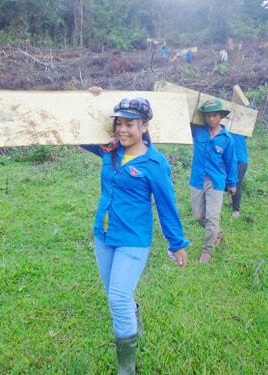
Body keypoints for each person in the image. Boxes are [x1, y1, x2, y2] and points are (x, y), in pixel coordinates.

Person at [84, 86, 189, 374]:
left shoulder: (155, 164)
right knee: (116, 295)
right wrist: (90, 100)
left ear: (144, 126)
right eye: (119, 122)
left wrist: (176, 242)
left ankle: (126, 369)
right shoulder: (110, 150)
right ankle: (133, 321)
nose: (122, 129)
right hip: (103, 236)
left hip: (133, 239)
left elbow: (167, 205)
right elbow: (78, 134)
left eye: (129, 124)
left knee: (118, 297)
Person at [189, 98, 238, 263]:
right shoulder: (198, 131)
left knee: (212, 216)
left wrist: (232, 184)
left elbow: (231, 162)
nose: (211, 119)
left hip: (215, 181)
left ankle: (207, 251)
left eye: (214, 115)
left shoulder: (227, 139)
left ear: (221, 116)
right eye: (208, 116)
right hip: (197, 178)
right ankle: (218, 233)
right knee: (198, 215)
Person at [228, 131, 248, 217]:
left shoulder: (242, 124)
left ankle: (236, 210)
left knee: (237, 183)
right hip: (226, 158)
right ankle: (231, 196)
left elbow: (247, 134)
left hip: (240, 158)